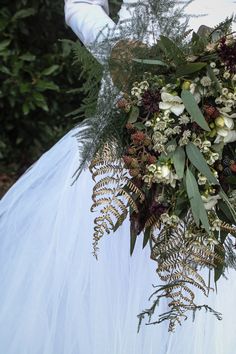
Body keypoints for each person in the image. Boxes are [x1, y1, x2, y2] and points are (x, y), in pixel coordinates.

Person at [0, 0, 235, 353]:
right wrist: (119, 49)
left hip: (223, 97)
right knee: (105, 260)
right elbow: (79, 4)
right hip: (128, 102)